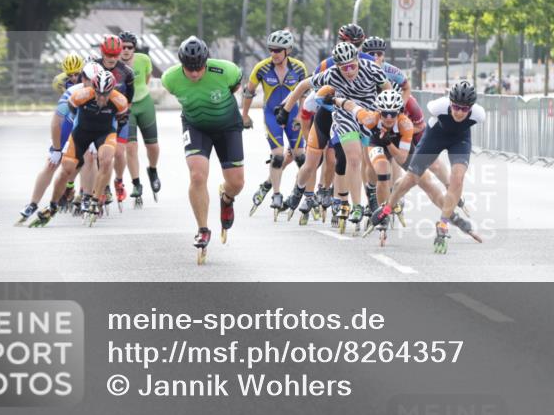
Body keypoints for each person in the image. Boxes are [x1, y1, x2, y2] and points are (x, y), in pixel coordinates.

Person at [277, 41, 390, 229]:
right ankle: (355, 206)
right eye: (344, 68)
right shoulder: (331, 74)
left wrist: (387, 116)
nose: (349, 71)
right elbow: (303, 85)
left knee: (369, 163)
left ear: (358, 60)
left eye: (352, 66)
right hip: (344, 115)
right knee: (352, 159)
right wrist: (286, 109)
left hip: (368, 114)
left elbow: (387, 88)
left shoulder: (371, 68)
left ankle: (370, 194)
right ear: (337, 66)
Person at [370, 80, 485, 253]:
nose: (459, 112)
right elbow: (421, 125)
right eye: (456, 107)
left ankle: (443, 224)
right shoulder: (437, 106)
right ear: (450, 103)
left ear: (471, 108)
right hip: (435, 137)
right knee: (412, 178)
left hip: (460, 140)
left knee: (458, 178)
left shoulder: (479, 114)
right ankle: (387, 208)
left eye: (464, 109)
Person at [161, 36, 250, 257]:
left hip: (228, 126)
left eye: (198, 68)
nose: (193, 73)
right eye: (189, 68)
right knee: (198, 176)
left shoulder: (226, 71)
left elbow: (236, 86)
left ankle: (227, 198)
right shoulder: (170, 79)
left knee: (237, 182)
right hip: (195, 127)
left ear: (206, 62)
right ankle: (202, 229)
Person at [30, 69, 129, 226]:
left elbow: (122, 120)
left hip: (105, 133)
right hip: (81, 132)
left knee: (106, 159)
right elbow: (72, 112)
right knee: (66, 169)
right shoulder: (80, 96)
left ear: (112, 90)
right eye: (98, 93)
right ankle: (54, 205)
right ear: (93, 89)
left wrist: (111, 137)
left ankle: (95, 200)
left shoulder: (120, 101)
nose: (101, 97)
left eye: (105, 94)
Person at [244, 29, 308, 214]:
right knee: (278, 155)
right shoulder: (262, 67)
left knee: (300, 157)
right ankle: (277, 194)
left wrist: (300, 116)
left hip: (293, 114)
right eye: (271, 49)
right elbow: (249, 91)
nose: (274, 53)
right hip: (271, 115)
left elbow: (304, 94)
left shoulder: (299, 68)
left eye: (278, 50)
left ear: (288, 50)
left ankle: (301, 193)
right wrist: (245, 115)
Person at [18, 54, 87, 222]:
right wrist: (57, 149)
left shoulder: (90, 80)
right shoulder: (60, 83)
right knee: (51, 163)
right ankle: (32, 204)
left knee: (86, 160)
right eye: (69, 74)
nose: (73, 77)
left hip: (84, 125)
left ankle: (84, 195)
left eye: (76, 73)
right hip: (68, 123)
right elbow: (58, 119)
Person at [118, 31, 161, 203]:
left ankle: (152, 169)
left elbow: (147, 78)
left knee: (153, 146)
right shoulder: (115, 65)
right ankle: (136, 183)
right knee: (131, 146)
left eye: (130, 47)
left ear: (134, 49)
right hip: (126, 107)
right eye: (123, 47)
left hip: (144, 103)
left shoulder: (144, 60)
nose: (126, 50)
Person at [96, 35, 136, 206]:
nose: (112, 59)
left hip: (118, 116)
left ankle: (118, 181)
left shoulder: (126, 72)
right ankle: (102, 186)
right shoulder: (93, 68)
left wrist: (122, 116)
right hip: (97, 116)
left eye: (115, 55)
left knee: (119, 152)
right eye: (108, 55)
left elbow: (129, 99)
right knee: (101, 155)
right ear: (102, 52)